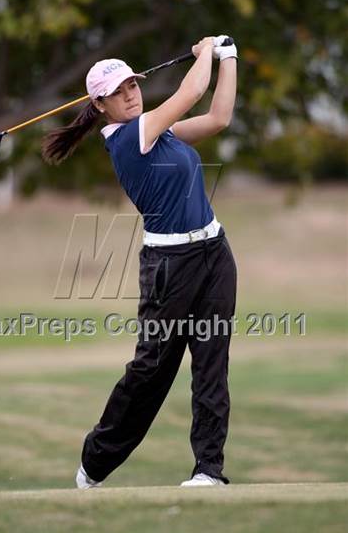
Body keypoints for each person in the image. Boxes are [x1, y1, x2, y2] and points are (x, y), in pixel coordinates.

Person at [42, 35, 238, 488]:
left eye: (133, 84)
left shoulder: (157, 131)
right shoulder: (129, 138)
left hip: (214, 253)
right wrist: (205, 50)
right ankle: (94, 462)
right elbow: (190, 93)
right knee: (152, 370)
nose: (130, 94)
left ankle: (209, 470)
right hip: (169, 266)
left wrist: (228, 57)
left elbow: (218, 117)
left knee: (212, 364)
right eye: (119, 91)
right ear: (101, 105)